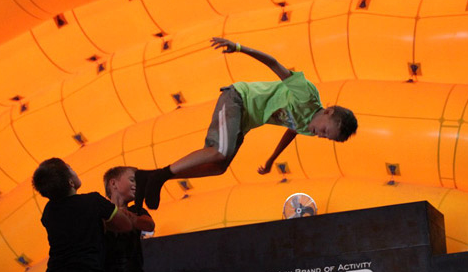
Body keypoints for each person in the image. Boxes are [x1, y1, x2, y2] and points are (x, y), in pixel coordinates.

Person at [135, 37, 358, 210]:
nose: (319, 135)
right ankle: (160, 175)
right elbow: (273, 63)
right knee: (220, 151)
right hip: (238, 99)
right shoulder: (307, 95)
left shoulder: (309, 128)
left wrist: (271, 159)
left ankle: (150, 177)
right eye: (325, 130)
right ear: (328, 111)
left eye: (324, 137)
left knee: (218, 167)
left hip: (244, 122)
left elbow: (292, 131)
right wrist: (239, 48)